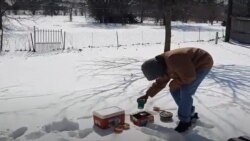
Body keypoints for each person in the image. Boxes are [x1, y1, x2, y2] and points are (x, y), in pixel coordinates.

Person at [138, 47, 213, 132]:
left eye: (158, 75)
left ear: (159, 70)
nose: (159, 77)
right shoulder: (161, 65)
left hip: (202, 62)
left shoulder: (174, 59)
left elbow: (190, 77)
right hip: (187, 67)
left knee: (186, 90)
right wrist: (147, 95)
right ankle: (189, 112)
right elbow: (160, 82)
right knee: (174, 89)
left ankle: (185, 122)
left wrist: (173, 83)